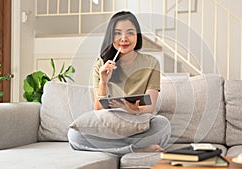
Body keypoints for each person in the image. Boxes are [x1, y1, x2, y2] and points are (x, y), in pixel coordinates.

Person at [67, 11, 171, 156]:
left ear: (137, 36)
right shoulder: (101, 65)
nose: (124, 38)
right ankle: (134, 149)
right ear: (111, 37)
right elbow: (98, 109)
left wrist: (131, 109)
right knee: (74, 135)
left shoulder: (151, 63)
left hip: (137, 122)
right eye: (117, 33)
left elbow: (150, 107)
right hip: (109, 124)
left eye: (130, 32)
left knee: (162, 125)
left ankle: (115, 149)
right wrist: (103, 82)